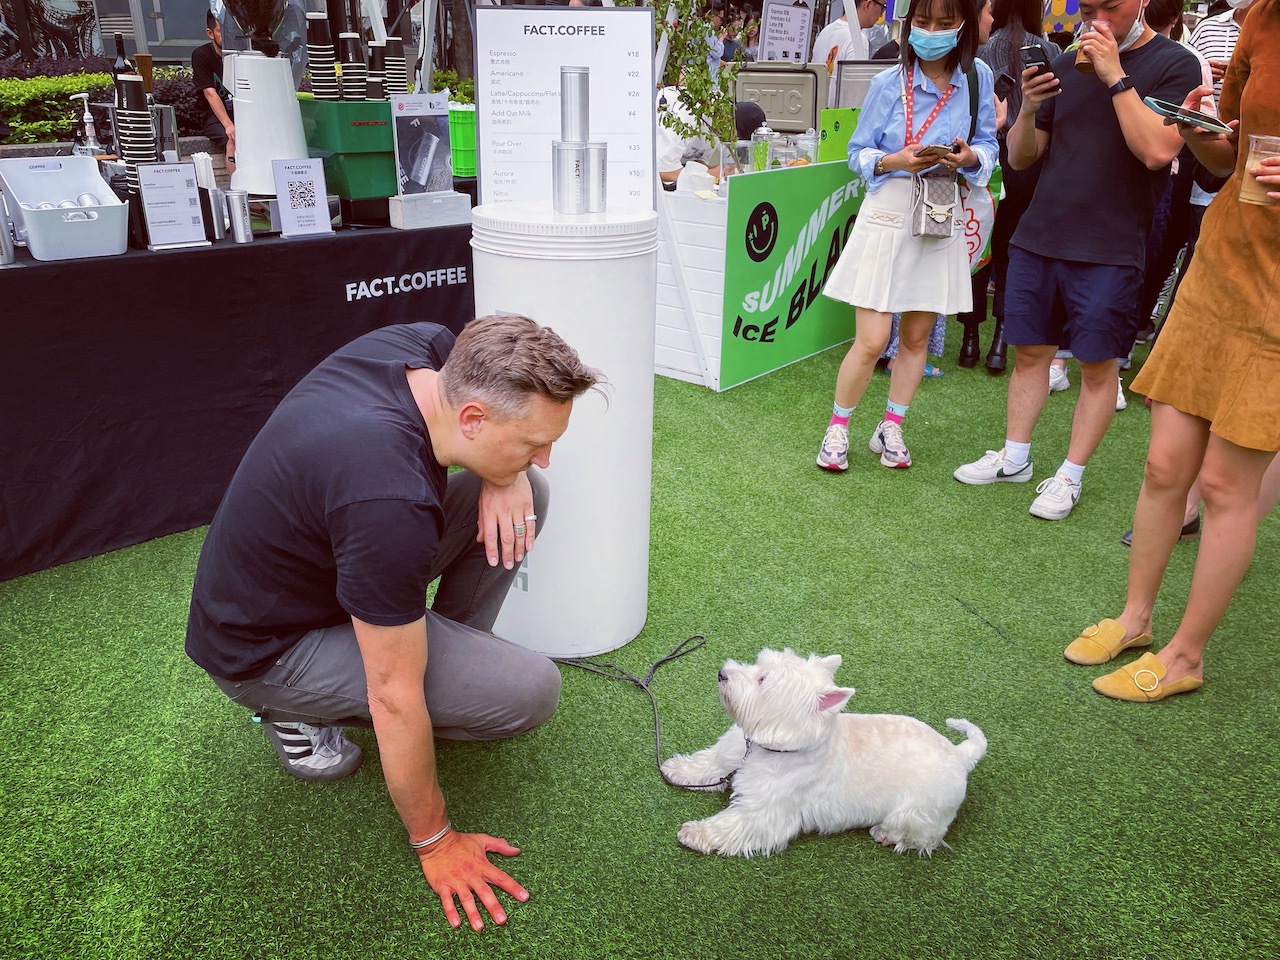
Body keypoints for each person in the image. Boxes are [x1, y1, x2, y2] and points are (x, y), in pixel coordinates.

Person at [186, 316, 604, 931]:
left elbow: (473, 341)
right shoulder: (389, 501)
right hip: (268, 649)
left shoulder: (427, 349)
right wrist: (436, 842)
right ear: (472, 420)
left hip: (330, 567)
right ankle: (295, 708)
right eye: (531, 442)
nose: (544, 455)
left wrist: (509, 473)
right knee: (529, 690)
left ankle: (429, 648)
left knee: (528, 496)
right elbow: (392, 695)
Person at [1067, 0, 1280, 701]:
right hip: (1222, 261)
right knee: (1163, 467)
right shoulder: (1261, 19)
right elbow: (1228, 159)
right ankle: (1135, 620)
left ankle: (1185, 658)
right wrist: (1197, 128)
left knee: (1223, 488)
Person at [952, 0, 1201, 520]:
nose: (1097, 18)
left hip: (1111, 246)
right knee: (1030, 352)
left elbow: (1157, 150)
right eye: (1088, 7)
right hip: (1041, 233)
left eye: (1110, 7)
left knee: (1096, 365)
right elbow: (1022, 157)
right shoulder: (1065, 62)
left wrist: (1114, 75)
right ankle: (1015, 455)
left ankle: (1070, 474)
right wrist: (1026, 110)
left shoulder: (1174, 63)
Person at [815, 0, 998, 472]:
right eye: (921, 22)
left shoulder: (976, 76)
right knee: (872, 339)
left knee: (915, 338)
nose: (931, 31)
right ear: (907, 23)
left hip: (939, 210)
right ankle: (838, 428)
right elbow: (858, 152)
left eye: (943, 23)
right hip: (889, 210)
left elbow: (988, 145)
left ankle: (891, 425)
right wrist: (895, 160)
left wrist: (967, 158)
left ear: (962, 27)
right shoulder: (886, 82)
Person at [959, 0, 1061, 374]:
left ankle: (970, 339)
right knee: (1011, 254)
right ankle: (1001, 341)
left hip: (984, 162)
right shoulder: (1050, 51)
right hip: (1029, 163)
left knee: (979, 246)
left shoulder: (981, 47)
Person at [811, 2, 880, 107]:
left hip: (817, 114)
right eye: (883, 7)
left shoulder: (826, 31)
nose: (880, 15)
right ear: (868, 5)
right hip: (838, 119)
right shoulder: (857, 40)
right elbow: (855, 93)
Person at [192, 11, 235, 174]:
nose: (228, 36)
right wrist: (228, 125)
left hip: (239, 110)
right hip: (213, 115)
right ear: (210, 33)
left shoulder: (239, 53)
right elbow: (210, 93)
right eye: (221, 31)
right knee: (232, 139)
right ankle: (239, 189)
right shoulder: (201, 55)